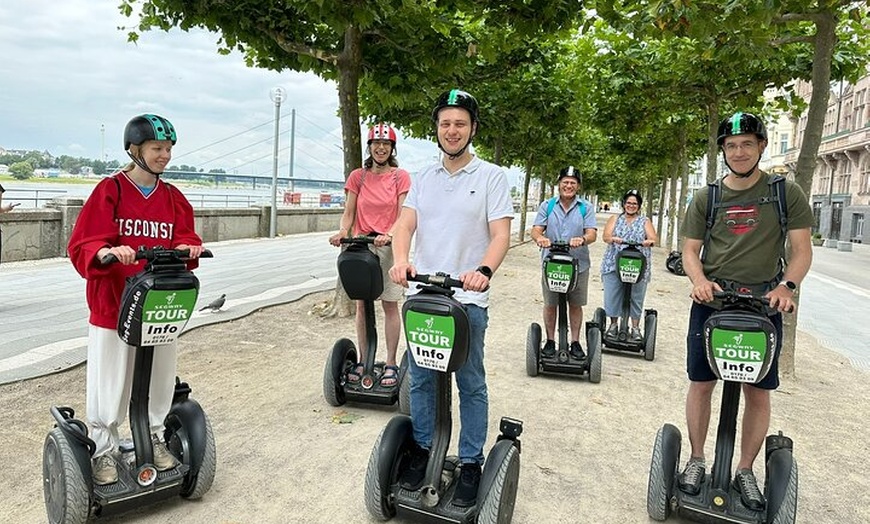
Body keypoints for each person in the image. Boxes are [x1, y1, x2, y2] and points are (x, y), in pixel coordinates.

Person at [678, 112, 812, 510]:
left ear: (761, 147)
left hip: (763, 306)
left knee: (758, 392)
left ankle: (746, 469)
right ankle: (697, 459)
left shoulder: (785, 193)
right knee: (701, 383)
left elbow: (802, 251)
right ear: (723, 150)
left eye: (747, 144)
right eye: (731, 145)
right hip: (712, 303)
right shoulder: (707, 198)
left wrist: (786, 286)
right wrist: (698, 280)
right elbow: (689, 250)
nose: (739, 152)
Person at [388, 89, 513, 507]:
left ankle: (472, 461)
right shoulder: (423, 178)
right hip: (425, 296)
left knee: (470, 381)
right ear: (437, 129)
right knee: (421, 379)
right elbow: (404, 226)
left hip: (467, 302)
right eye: (445, 123)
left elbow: (500, 235)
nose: (452, 130)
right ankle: (424, 450)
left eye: (460, 123)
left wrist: (483, 271)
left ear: (472, 128)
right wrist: (401, 261)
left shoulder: (491, 176)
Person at [68, 114, 205, 486]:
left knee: (160, 376)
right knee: (110, 379)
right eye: (158, 149)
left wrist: (188, 247)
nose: (165, 156)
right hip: (114, 304)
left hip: (160, 302)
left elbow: (188, 240)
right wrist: (108, 252)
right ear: (135, 149)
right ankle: (104, 448)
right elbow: (84, 243)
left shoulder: (174, 197)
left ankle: (155, 436)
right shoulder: (110, 190)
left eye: (168, 149)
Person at [329, 123, 411, 388]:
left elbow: (403, 215)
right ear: (370, 146)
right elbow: (349, 212)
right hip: (361, 246)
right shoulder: (358, 176)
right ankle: (364, 359)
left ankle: (390, 362)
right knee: (363, 305)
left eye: (386, 144)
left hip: (388, 246)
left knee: (389, 303)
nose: (381, 148)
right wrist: (343, 231)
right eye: (376, 143)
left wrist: (389, 233)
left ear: (392, 148)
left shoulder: (400, 177)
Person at [530, 166, 598, 360]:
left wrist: (582, 239)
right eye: (565, 182)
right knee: (550, 304)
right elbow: (536, 230)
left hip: (579, 264)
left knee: (575, 304)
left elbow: (592, 233)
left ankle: (575, 342)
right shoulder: (548, 206)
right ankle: (550, 341)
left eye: (572, 183)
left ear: (578, 187)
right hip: (551, 263)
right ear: (559, 184)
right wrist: (540, 238)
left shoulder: (585, 207)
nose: (568, 186)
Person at [600, 189, 658, 341]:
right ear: (624, 204)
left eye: (634, 203)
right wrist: (613, 238)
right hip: (614, 262)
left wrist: (648, 241)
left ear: (639, 206)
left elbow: (653, 237)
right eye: (628, 203)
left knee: (637, 296)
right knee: (612, 293)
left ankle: (635, 327)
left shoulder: (645, 221)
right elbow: (605, 236)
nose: (631, 206)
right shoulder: (615, 219)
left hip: (638, 264)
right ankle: (613, 325)